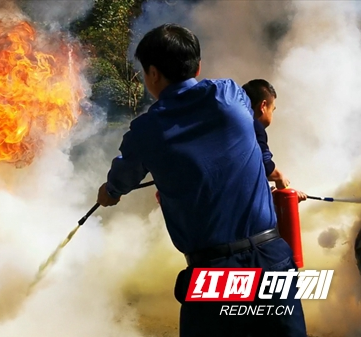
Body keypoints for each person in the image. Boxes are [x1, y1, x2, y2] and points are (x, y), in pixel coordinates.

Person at [96, 24, 306, 336]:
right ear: (197, 66)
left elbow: (119, 182)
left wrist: (109, 192)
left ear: (152, 73)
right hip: (272, 263)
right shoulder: (232, 95)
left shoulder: (146, 131)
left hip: (215, 276)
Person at [242, 79, 306, 202]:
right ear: (263, 106)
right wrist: (280, 178)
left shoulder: (230, 123)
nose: (272, 114)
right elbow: (265, 166)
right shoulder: (254, 126)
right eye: (272, 109)